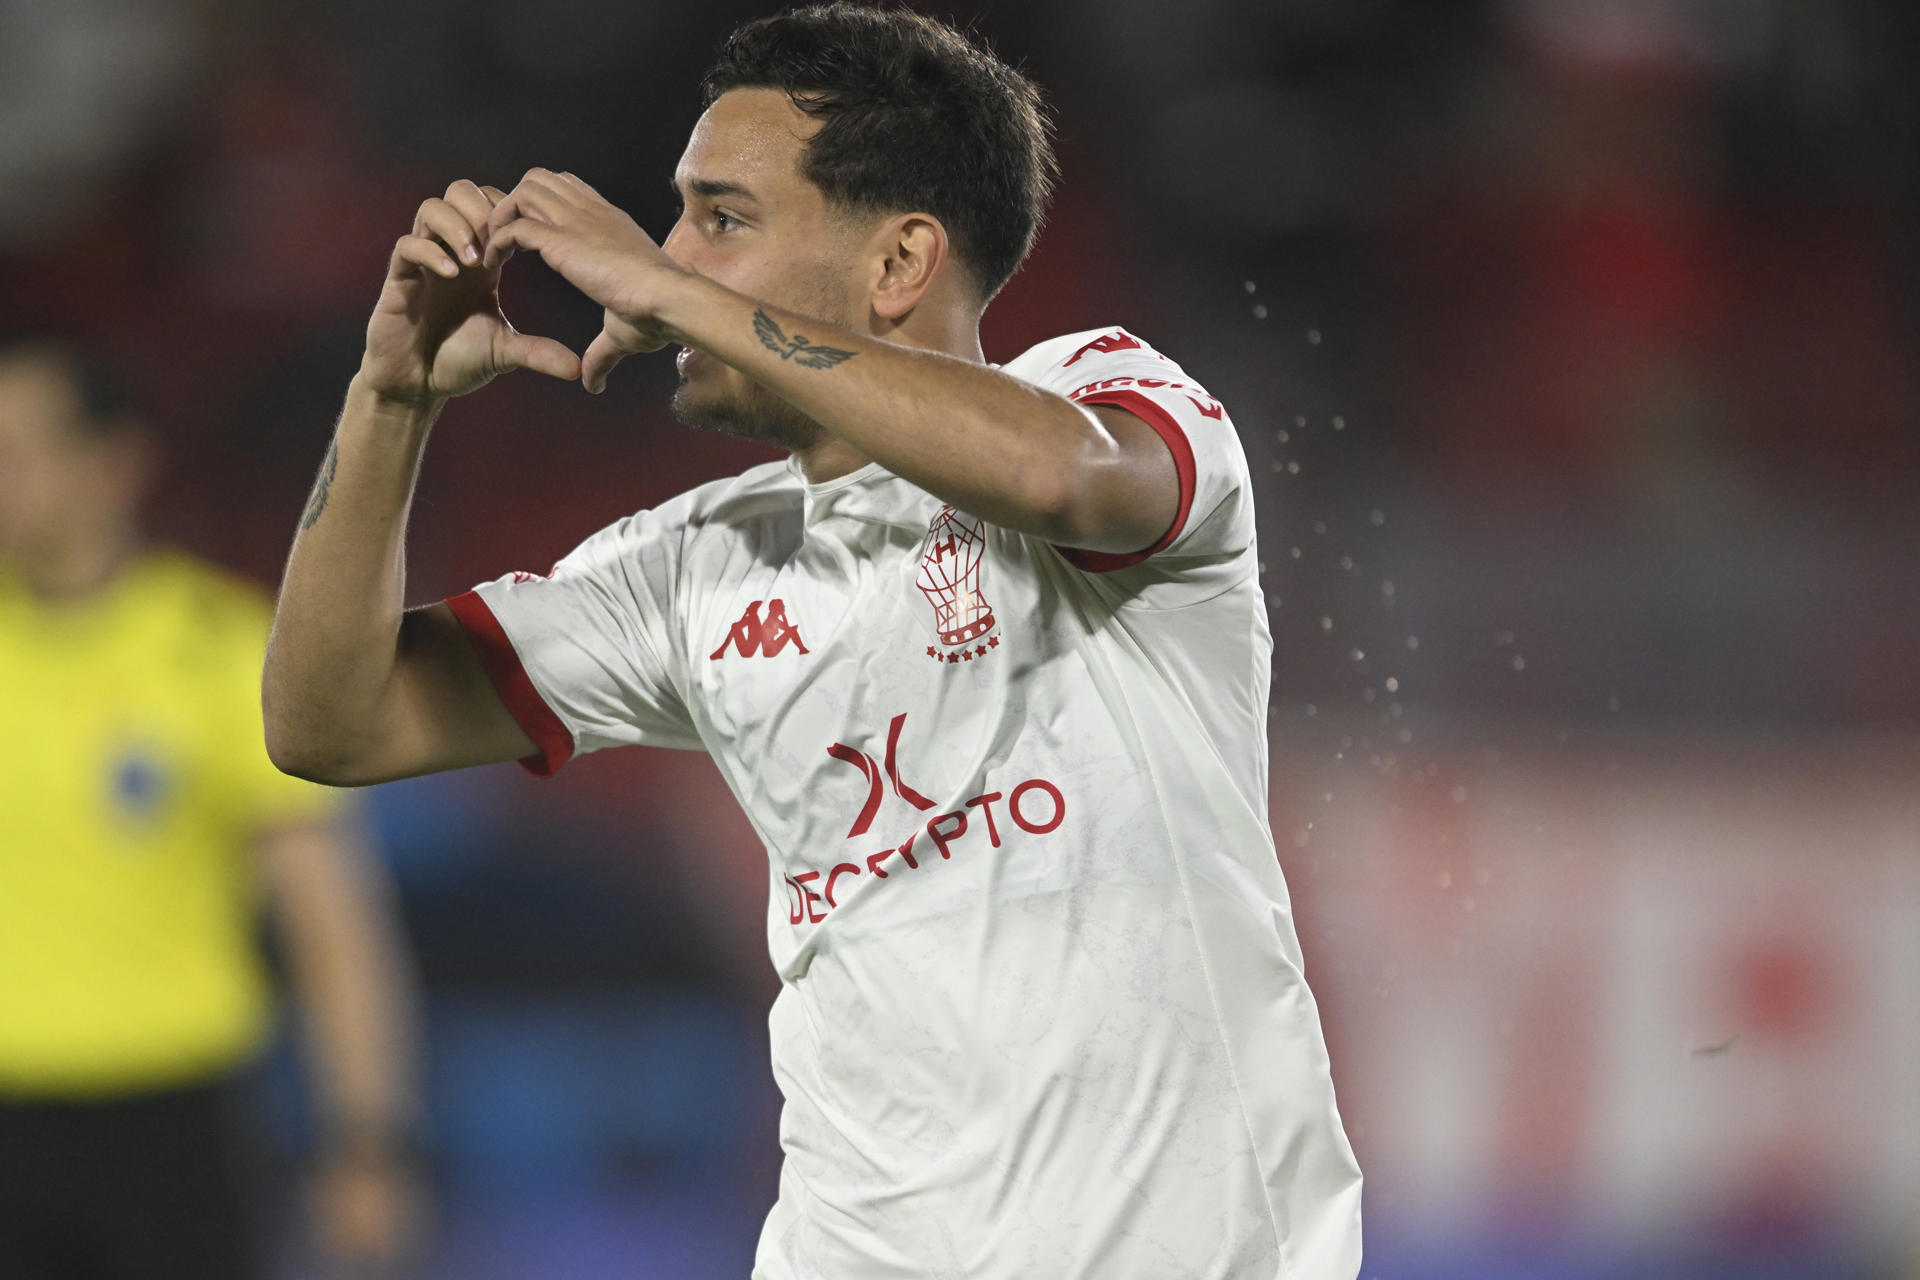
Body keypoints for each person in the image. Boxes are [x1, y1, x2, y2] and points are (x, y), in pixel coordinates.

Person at [263, 4, 1363, 1277]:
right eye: (674, 221)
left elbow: (1068, 482)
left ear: (900, 264)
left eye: (720, 220)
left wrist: (672, 293)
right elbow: (330, 722)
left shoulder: (1108, 395)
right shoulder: (691, 566)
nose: (661, 254)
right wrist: (389, 395)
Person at [0, 339, 425, 1278]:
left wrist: (366, 1143)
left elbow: (329, 921)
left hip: (173, 1122)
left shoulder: (222, 651)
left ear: (113, 463)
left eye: (20, 448)